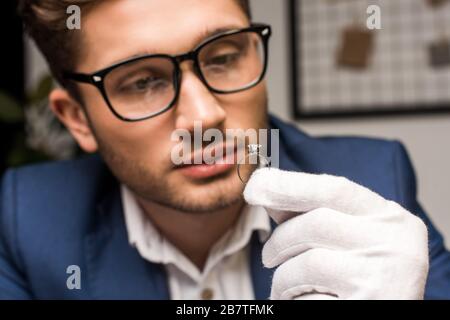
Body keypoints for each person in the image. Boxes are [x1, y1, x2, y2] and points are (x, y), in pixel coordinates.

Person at [1, 0, 449, 299]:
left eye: (223, 57)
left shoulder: (374, 180)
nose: (203, 118)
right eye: (142, 82)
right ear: (78, 118)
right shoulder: (25, 223)